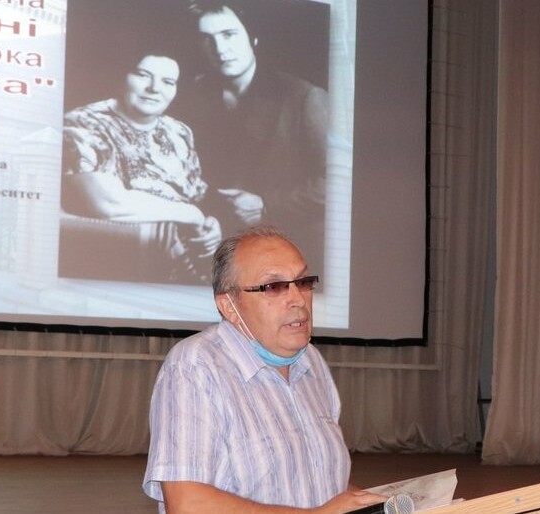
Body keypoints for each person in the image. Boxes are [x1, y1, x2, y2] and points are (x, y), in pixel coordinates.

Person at [143, 226, 383, 513]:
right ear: (229, 306)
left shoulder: (311, 361)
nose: (298, 299)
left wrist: (375, 504)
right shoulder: (196, 366)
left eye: (303, 282)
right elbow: (188, 504)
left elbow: (320, 485)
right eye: (274, 287)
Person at [61, 50, 257, 283]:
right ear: (123, 77)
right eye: (143, 75)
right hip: (124, 259)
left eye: (168, 82)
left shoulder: (178, 131)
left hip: (186, 257)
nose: (154, 88)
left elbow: (196, 196)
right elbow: (108, 204)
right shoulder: (83, 123)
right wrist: (192, 216)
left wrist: (210, 225)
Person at [175, 0, 331, 275]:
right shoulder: (191, 97)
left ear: (253, 38)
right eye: (207, 39)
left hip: (288, 246)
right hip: (215, 246)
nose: (220, 49)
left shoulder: (304, 97)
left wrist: (267, 205)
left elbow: (337, 184)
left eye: (229, 34)